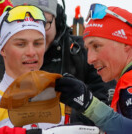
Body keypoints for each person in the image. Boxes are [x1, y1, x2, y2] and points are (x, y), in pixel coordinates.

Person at [11, 0, 116, 126]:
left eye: (42, 22)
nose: (34, 32)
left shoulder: (87, 53)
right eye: (22, 24)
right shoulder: (1, 58)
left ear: (58, 19)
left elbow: (112, 115)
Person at [55, 3, 132, 134]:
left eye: (96, 46)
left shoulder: (129, 82)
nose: (90, 59)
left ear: (126, 44)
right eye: (87, 49)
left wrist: (89, 104)